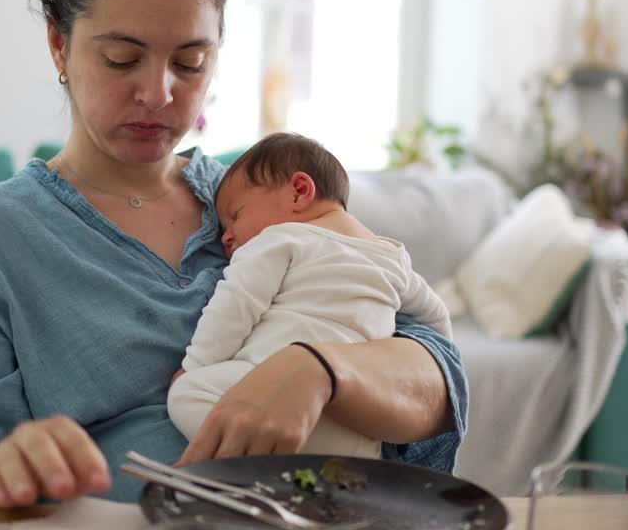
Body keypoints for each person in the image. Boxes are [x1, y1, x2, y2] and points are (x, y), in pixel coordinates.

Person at [0, 0, 468, 508]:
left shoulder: (260, 202)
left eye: (190, 63)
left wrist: (320, 369)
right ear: (60, 46)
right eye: (121, 58)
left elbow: (439, 379)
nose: (158, 93)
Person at [167, 132, 453, 459]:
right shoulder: (393, 257)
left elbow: (235, 307)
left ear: (300, 192)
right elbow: (436, 318)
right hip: (354, 424)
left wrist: (195, 364)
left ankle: (248, 462)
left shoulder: (280, 239)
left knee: (185, 394)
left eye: (235, 216)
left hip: (267, 393)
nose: (227, 238)